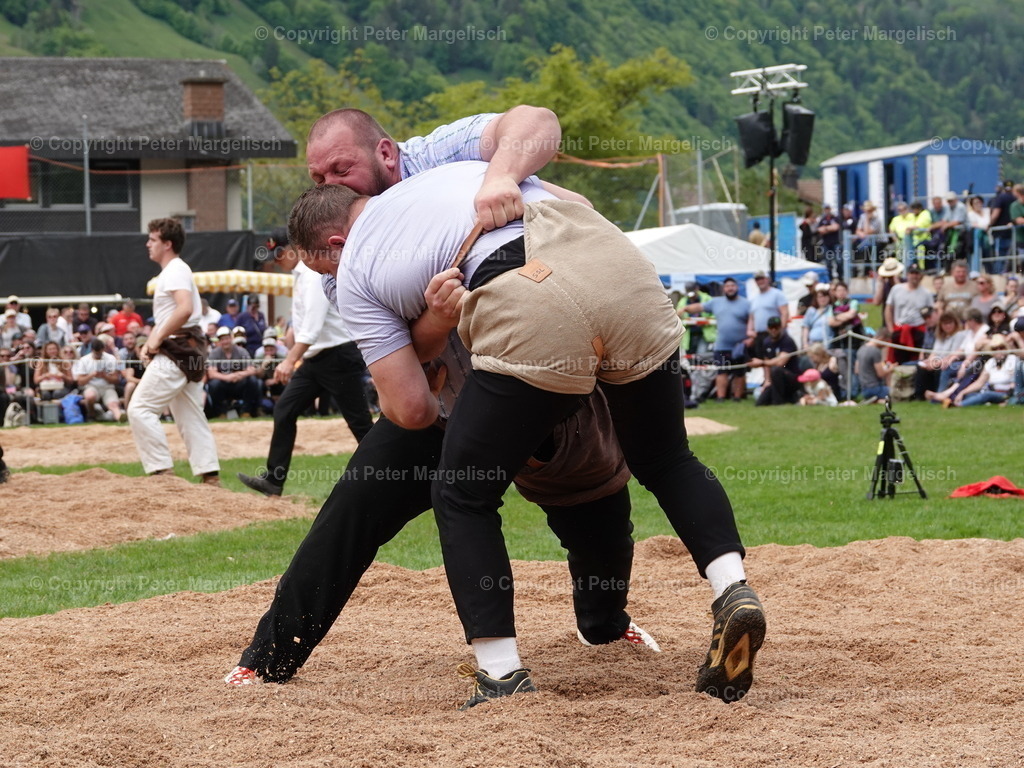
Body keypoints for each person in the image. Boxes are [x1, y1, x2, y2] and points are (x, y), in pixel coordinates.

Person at [290, 161, 764, 708]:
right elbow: (576, 196)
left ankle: (500, 672)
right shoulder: (465, 170)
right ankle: (732, 588)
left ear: (337, 240)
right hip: (620, 267)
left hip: (528, 291)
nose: (331, 279)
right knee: (667, 459)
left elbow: (413, 410)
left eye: (325, 266)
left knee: (462, 492)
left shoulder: (355, 271)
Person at [227, 106, 663, 697]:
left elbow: (537, 121)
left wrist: (500, 176)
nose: (330, 185)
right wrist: (434, 318)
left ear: (386, 155)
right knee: (351, 511)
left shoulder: (439, 157)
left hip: (540, 376)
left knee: (600, 516)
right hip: (443, 395)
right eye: (319, 177)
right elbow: (403, 372)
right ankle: (269, 658)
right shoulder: (343, 243)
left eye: (341, 168)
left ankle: (605, 628)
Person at [237, 229, 374, 496]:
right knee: (284, 411)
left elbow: (313, 325)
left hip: (337, 356)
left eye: (279, 254)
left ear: (294, 248)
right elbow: (303, 322)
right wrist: (290, 335)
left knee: (359, 423)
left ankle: (392, 477)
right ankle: (274, 481)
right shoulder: (300, 276)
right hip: (317, 359)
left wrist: (288, 360)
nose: (276, 261)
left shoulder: (311, 275)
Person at [127, 218, 220, 484]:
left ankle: (162, 473)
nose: (148, 244)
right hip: (185, 349)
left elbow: (185, 308)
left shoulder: (175, 269)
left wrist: (154, 340)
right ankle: (210, 475)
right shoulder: (175, 270)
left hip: (177, 350)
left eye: (153, 239)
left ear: (167, 244)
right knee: (190, 414)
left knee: (140, 409)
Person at [682, 277, 752, 402]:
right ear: (723, 289)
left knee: (739, 372)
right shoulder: (716, 302)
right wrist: (685, 309)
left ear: (737, 287)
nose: (730, 288)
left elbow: (752, 322)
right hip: (722, 345)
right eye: (727, 286)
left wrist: (750, 338)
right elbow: (699, 307)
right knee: (721, 371)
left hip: (739, 345)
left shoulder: (746, 304)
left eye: (732, 286)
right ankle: (720, 397)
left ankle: (737, 397)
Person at [206, 326, 262, 418]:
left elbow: (252, 369)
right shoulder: (214, 353)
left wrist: (239, 374)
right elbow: (211, 373)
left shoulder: (241, 351)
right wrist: (227, 377)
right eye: (222, 339)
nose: (225, 341)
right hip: (223, 384)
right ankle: (220, 413)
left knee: (252, 380)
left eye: (227, 338)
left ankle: (246, 412)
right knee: (214, 384)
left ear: (231, 338)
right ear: (219, 341)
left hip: (239, 382)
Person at [884, 264, 932, 363]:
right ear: (907, 275)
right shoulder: (896, 289)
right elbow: (888, 309)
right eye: (912, 273)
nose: (914, 276)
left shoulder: (926, 293)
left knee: (917, 361)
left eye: (917, 273)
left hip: (918, 330)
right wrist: (890, 328)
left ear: (921, 275)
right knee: (897, 361)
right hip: (899, 329)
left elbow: (931, 313)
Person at [750, 316, 800, 405]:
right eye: (771, 327)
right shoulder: (766, 342)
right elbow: (767, 365)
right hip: (775, 378)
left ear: (781, 327)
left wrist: (761, 363)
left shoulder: (787, 341)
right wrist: (767, 381)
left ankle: (778, 402)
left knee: (777, 370)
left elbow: (780, 362)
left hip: (791, 377)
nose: (774, 330)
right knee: (760, 403)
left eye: (776, 327)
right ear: (767, 328)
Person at [72, 337, 124, 422]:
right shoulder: (84, 360)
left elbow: (116, 380)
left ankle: (120, 417)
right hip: (91, 386)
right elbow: (80, 381)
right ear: (92, 350)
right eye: (96, 353)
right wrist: (91, 375)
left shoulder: (110, 358)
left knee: (113, 404)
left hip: (107, 387)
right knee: (90, 396)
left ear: (103, 349)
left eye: (100, 353)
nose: (98, 355)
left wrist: (105, 376)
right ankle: (91, 416)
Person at [748, 270, 789, 345]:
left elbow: (785, 313)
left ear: (768, 279)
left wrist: (780, 331)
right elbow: (752, 317)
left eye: (762, 278)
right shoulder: (753, 299)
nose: (760, 281)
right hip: (759, 335)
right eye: (757, 279)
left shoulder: (777, 294)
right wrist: (749, 330)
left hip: (774, 334)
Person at [855, 328, 893, 403]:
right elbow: (881, 374)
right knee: (897, 392)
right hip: (875, 388)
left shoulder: (861, 349)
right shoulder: (875, 351)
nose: (886, 346)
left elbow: (856, 371)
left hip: (864, 389)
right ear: (882, 338)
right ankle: (879, 400)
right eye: (886, 342)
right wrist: (891, 368)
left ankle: (874, 400)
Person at [815, 205, 842, 280]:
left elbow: (836, 227)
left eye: (828, 209)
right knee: (828, 263)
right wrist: (830, 228)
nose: (827, 211)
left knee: (838, 261)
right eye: (825, 209)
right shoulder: (822, 219)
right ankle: (830, 278)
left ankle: (840, 277)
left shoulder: (835, 218)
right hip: (826, 244)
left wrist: (826, 228)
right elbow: (819, 230)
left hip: (835, 243)